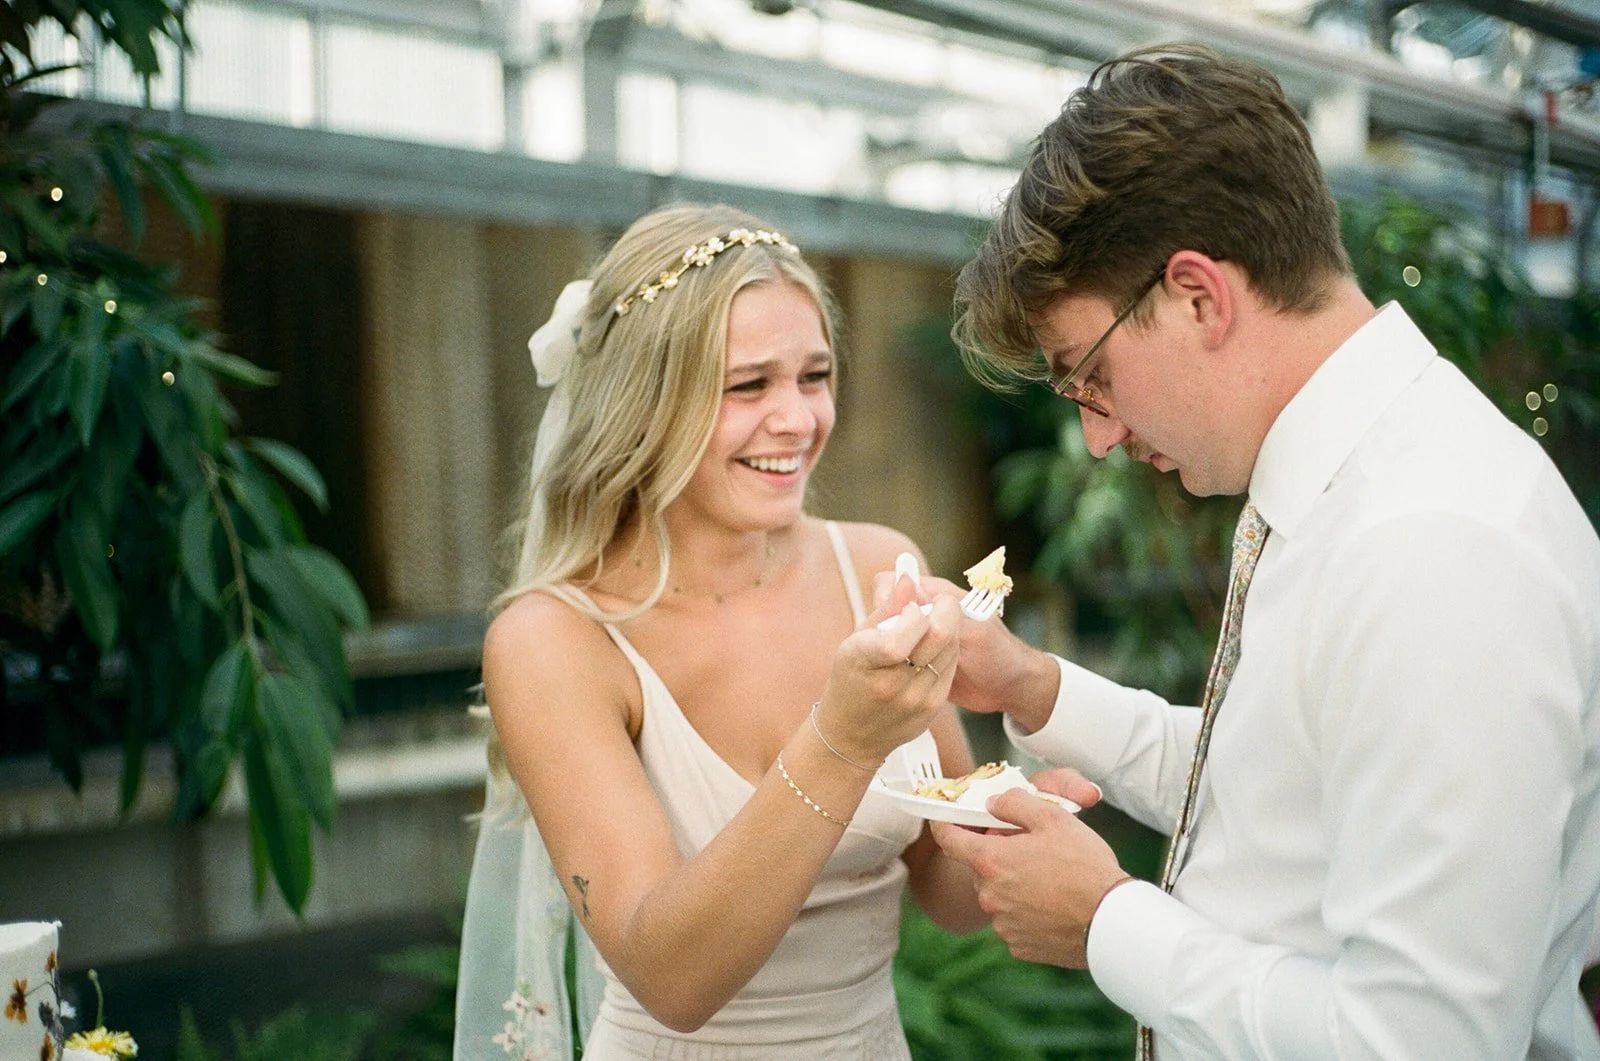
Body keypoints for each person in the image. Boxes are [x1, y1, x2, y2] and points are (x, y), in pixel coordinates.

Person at [925, 43, 1600, 1058]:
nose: (1098, 434)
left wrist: (1107, 922)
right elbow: (1267, 788)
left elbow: (1419, 1042)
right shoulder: (1348, 486)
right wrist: (1026, 684)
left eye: (1089, 375)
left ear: (1198, 295)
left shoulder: (1430, 546)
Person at [452, 202, 991, 1061]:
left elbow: (947, 889)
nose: (798, 419)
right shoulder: (554, 641)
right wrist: (842, 741)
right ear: (644, 401)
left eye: (814, 377)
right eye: (749, 385)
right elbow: (672, 981)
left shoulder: (880, 567)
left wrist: (1021, 813)